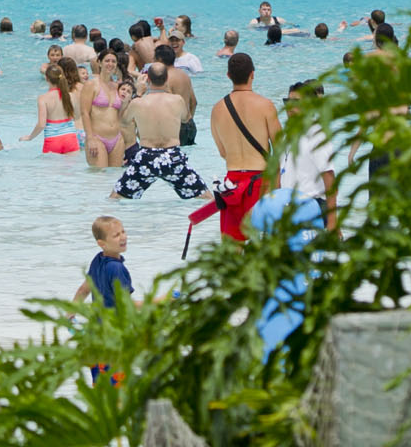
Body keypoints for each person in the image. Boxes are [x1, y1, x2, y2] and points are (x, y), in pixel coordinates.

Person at [204, 52, 280, 240]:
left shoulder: (217, 109)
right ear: (252, 74)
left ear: (228, 76)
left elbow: (223, 152)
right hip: (262, 182)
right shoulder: (265, 105)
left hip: (232, 185)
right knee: (265, 245)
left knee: (232, 247)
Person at [110, 71, 207, 200]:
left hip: (147, 157)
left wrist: (138, 93)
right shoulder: (177, 100)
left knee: (115, 197)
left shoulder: (138, 102)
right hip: (172, 156)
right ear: (166, 79)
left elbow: (124, 120)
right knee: (205, 196)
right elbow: (186, 118)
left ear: (148, 80)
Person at [76, 216, 132, 308]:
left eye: (123, 231)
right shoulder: (117, 268)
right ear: (102, 244)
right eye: (116, 235)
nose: (123, 237)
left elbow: (83, 290)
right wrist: (158, 301)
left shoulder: (98, 260)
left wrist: (70, 314)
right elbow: (128, 305)